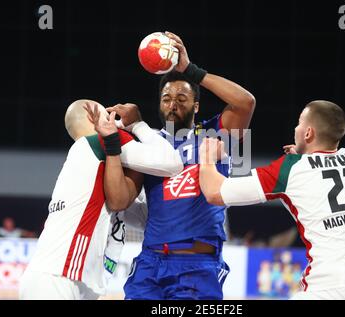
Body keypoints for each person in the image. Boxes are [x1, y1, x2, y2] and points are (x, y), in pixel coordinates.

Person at [198, 100, 345, 300]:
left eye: (299, 123)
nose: (295, 128)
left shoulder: (291, 168)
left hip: (336, 284)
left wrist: (207, 158)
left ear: (308, 133)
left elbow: (215, 192)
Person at [105, 31, 256, 300]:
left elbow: (245, 102)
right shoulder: (148, 144)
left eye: (182, 98)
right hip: (150, 264)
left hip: (196, 266)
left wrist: (191, 71)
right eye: (166, 99)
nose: (173, 103)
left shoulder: (216, 134)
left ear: (196, 106)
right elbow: (121, 199)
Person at [19, 99, 183, 300]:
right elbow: (172, 163)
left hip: (58, 276)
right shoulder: (101, 141)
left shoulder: (86, 159)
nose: (113, 115)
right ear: (92, 116)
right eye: (106, 111)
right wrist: (137, 124)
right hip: (60, 275)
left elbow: (130, 211)